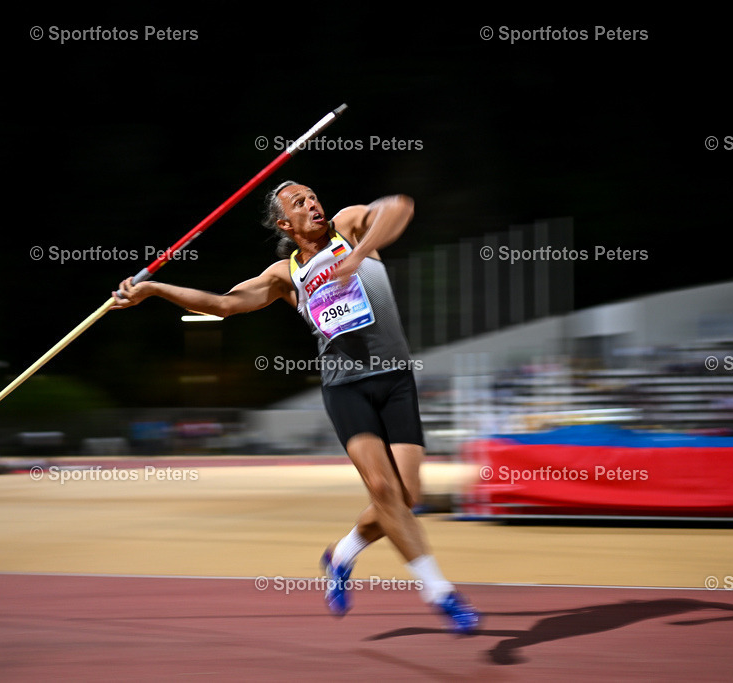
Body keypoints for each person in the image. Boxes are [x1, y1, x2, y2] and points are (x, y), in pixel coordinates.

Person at [111, 181, 479, 634]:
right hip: (345, 387)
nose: (313, 204)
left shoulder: (349, 226)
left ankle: (340, 555)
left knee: (407, 498)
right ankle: (442, 594)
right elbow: (224, 305)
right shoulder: (285, 275)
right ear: (286, 223)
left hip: (395, 378)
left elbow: (400, 206)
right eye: (299, 203)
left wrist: (359, 255)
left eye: (312, 196)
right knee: (383, 490)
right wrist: (156, 291)